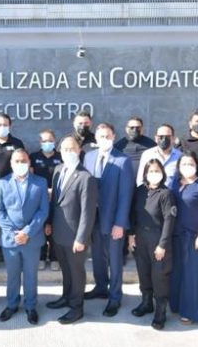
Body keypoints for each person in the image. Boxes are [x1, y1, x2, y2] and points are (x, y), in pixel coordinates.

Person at [83, 123, 134, 316]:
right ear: (95, 138)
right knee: (97, 256)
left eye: (107, 136)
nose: (104, 139)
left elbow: (125, 195)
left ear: (113, 137)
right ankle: (100, 287)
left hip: (113, 220)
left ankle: (115, 297)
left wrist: (120, 223)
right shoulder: (88, 157)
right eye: (101, 136)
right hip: (93, 219)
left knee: (115, 259)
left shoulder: (123, 160)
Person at [0, 149, 49, 325]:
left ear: (29, 162)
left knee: (31, 275)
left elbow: (43, 211)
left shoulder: (40, 183)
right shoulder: (2, 183)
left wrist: (27, 232)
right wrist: (13, 233)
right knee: (12, 275)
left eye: (23, 161)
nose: (20, 164)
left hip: (32, 238)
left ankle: (30, 307)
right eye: (16, 161)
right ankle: (11, 304)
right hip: (10, 239)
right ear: (11, 164)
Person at [46, 136, 97, 324]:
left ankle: (77, 307)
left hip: (75, 236)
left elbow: (88, 212)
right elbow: (55, 202)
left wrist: (81, 238)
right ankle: (66, 297)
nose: (68, 152)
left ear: (79, 150)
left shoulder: (86, 177)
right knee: (66, 270)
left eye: (72, 148)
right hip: (59, 233)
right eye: (64, 149)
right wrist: (49, 223)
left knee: (77, 272)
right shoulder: (58, 170)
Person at [128, 159, 176, 330]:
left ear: (162, 173)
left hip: (158, 238)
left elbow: (170, 221)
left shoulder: (166, 194)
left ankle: (160, 311)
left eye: (157, 171)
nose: (154, 174)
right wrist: (131, 235)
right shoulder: (140, 190)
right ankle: (146, 302)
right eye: (151, 171)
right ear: (145, 173)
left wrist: (162, 245)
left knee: (159, 276)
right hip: (141, 237)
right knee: (143, 272)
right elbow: (133, 213)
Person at [169, 151, 198, 324]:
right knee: (177, 273)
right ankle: (175, 304)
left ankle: (191, 311)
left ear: (196, 165)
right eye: (183, 164)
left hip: (194, 236)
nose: (187, 167)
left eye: (191, 164)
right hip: (175, 235)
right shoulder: (175, 183)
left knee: (192, 276)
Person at [29, 128, 62, 271]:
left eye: (50, 140)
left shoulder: (61, 157)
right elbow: (30, 176)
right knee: (40, 226)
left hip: (58, 196)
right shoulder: (34, 156)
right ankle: (42, 256)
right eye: (44, 141)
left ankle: (54, 257)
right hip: (39, 197)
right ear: (40, 142)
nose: (47, 143)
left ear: (54, 141)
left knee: (55, 226)